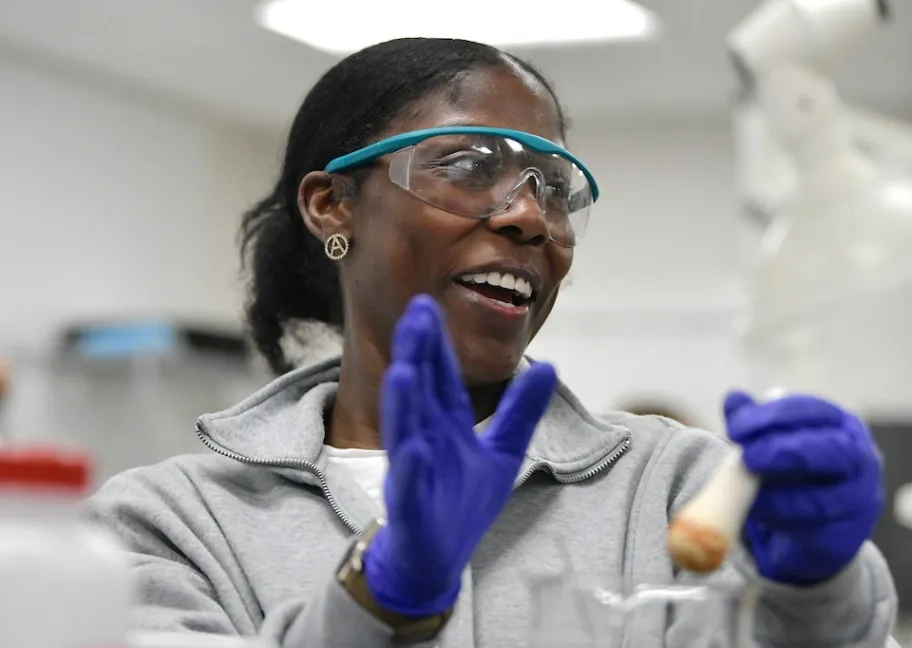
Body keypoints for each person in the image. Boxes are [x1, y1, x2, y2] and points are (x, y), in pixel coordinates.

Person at [84, 37, 896, 647]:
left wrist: (817, 589)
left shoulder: (679, 490)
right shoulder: (167, 526)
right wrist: (380, 598)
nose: (530, 217)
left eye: (554, 190)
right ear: (333, 206)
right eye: (471, 164)